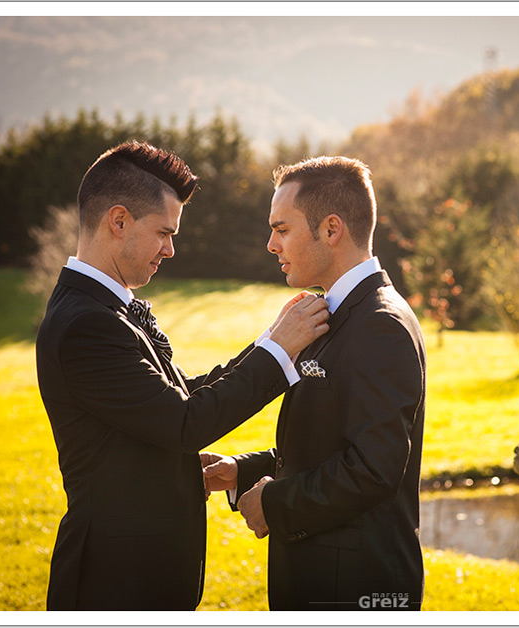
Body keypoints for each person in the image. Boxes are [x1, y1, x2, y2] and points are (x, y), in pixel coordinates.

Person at [35, 141, 329, 610]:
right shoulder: (85, 324)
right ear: (118, 221)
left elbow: (179, 395)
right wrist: (278, 351)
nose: (170, 250)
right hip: (114, 587)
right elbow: (183, 422)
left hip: (141, 581)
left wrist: (269, 341)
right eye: (164, 233)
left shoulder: (103, 309)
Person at [204, 156, 427, 610]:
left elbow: (374, 468)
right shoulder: (333, 314)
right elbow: (334, 442)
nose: (270, 244)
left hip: (356, 588)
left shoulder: (380, 325)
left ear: (331, 229)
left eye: (281, 229)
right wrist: (243, 471)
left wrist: (276, 502)